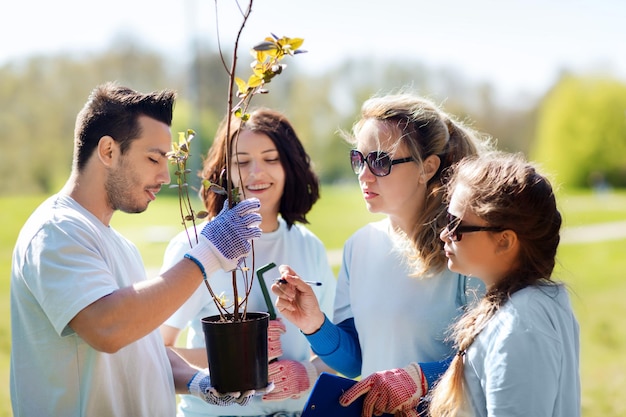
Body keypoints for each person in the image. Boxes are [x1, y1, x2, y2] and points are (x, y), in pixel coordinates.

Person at [10, 82, 264, 416]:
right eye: (153, 158)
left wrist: (198, 383)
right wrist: (208, 253)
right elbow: (107, 328)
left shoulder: (120, 245)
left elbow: (142, 346)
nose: (165, 175)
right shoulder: (56, 230)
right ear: (108, 151)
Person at [272, 92, 490, 416]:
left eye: (381, 161)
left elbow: (490, 358)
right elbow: (355, 361)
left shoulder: (463, 248)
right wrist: (315, 324)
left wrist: (419, 379)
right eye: (359, 159)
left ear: (427, 167)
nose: (364, 174)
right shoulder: (358, 247)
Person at [159, 108, 337, 417]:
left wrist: (307, 372)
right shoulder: (198, 246)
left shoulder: (309, 246)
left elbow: (337, 351)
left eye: (271, 159)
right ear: (224, 171)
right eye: (241, 162)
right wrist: (234, 355)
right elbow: (154, 351)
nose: (256, 173)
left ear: (290, 166)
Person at [426, 151, 580, 416]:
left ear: (505, 241)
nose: (444, 234)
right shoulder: (527, 307)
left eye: (455, 225)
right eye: (445, 220)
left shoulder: (521, 324)